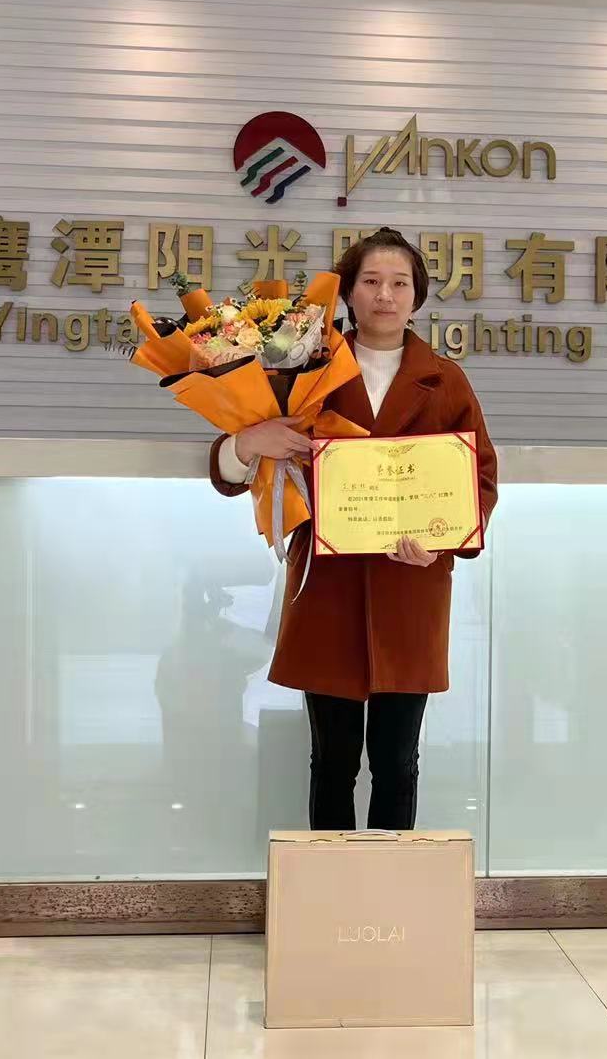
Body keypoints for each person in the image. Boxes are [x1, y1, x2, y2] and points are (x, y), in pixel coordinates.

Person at [209, 228, 499, 831]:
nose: (385, 296)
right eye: (371, 282)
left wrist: (441, 542)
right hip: (328, 586)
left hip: (410, 586)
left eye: (399, 283)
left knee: (398, 760)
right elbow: (231, 470)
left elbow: (480, 481)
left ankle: (392, 886)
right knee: (331, 759)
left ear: (417, 295)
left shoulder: (446, 380)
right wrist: (249, 440)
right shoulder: (303, 368)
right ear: (347, 293)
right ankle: (328, 887)